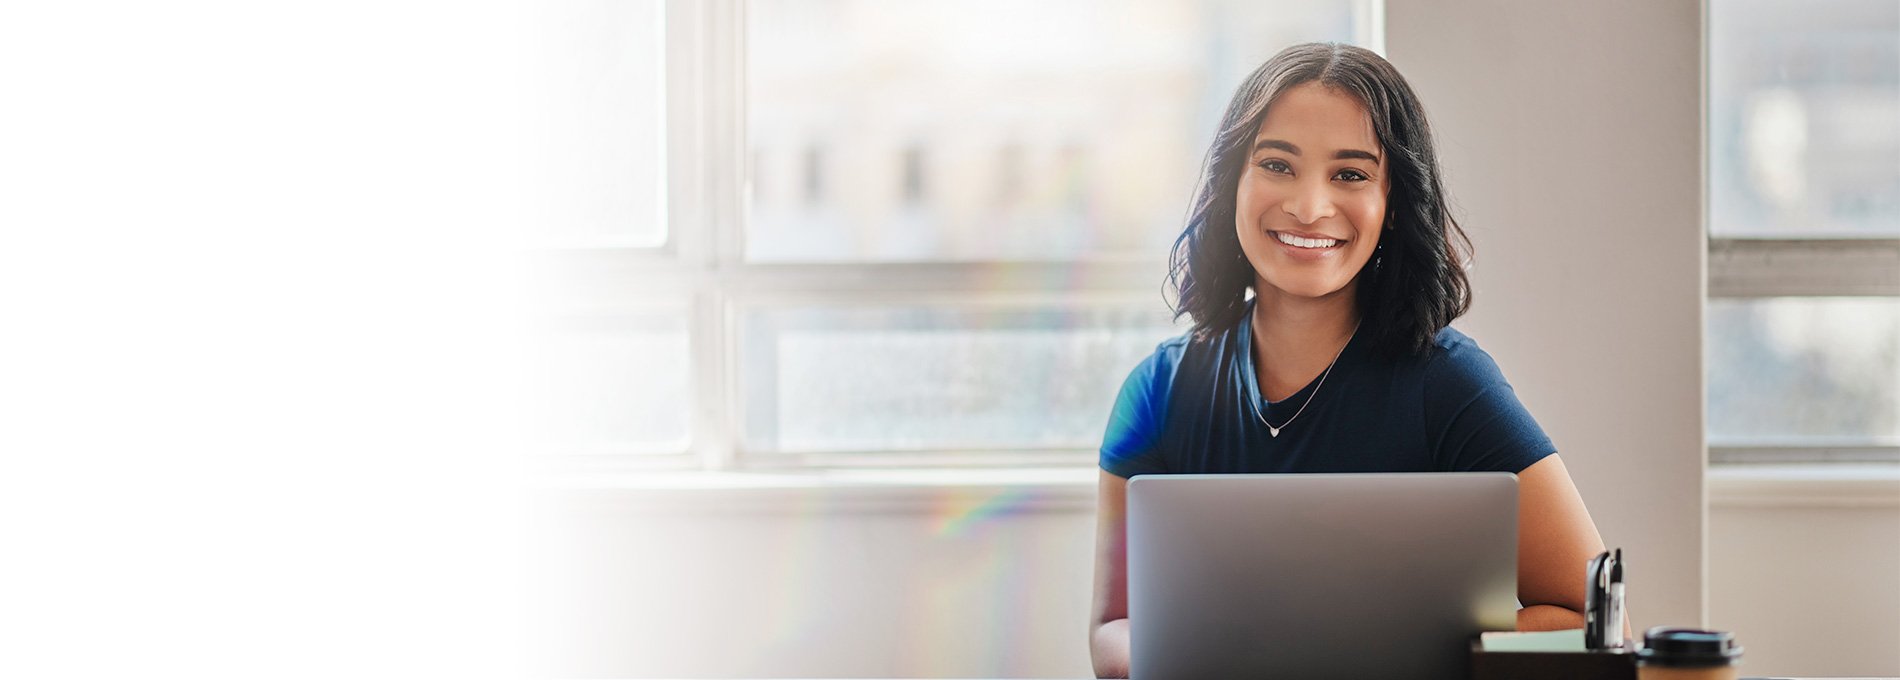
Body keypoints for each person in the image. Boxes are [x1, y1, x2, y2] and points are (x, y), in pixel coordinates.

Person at [1087, 42, 1610, 678]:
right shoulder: (1156, 392)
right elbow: (1114, 627)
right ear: (1233, 183)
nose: (1309, 207)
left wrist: (1393, 655)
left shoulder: (1448, 384)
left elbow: (1593, 625)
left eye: (1351, 174)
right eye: (1278, 165)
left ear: (1393, 203)